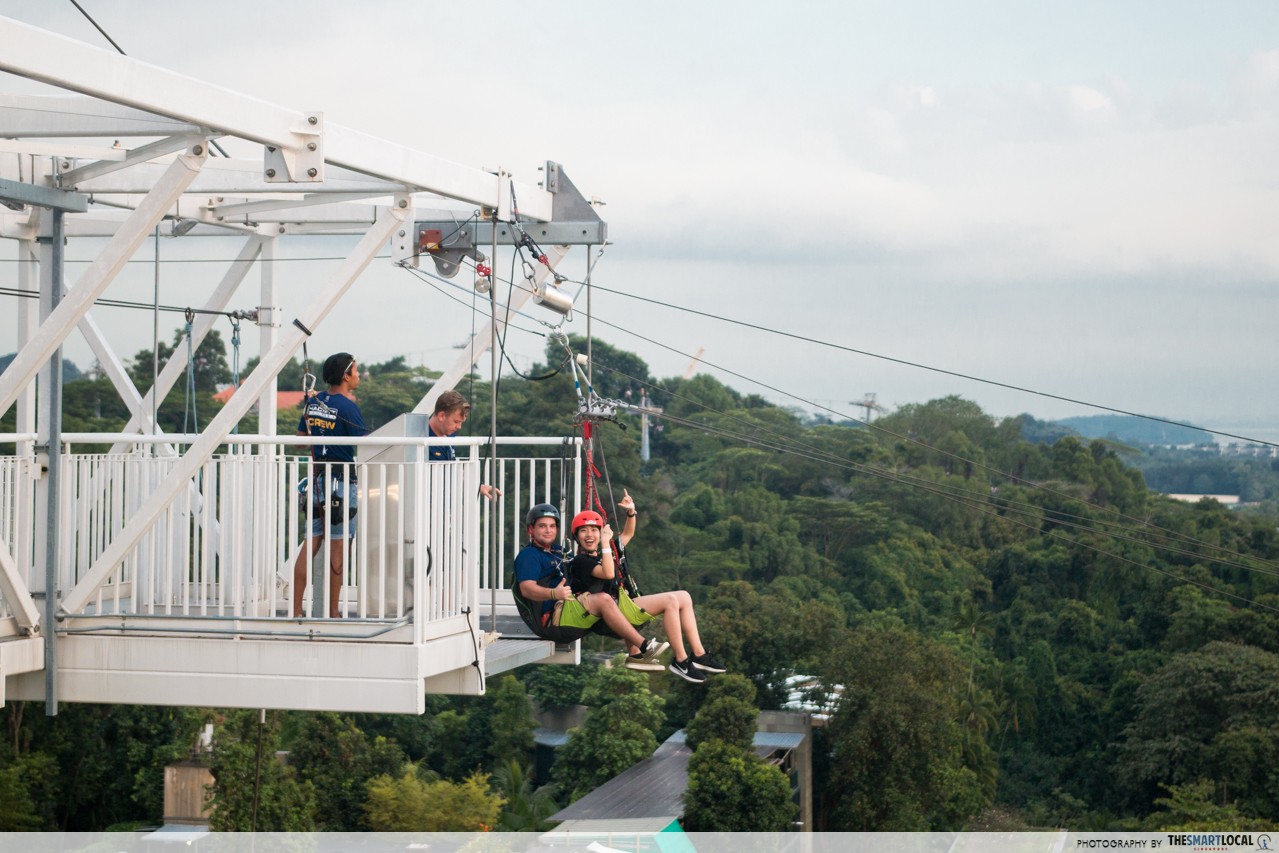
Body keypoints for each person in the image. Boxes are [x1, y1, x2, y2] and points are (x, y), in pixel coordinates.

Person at [567, 490, 726, 683]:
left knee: (684, 596)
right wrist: (606, 543)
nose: (589, 535)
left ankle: (699, 655)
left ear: (600, 532)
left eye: (594, 530)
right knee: (670, 601)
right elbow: (607, 573)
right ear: (577, 537)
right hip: (609, 617)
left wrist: (631, 512)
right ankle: (681, 660)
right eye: (583, 531)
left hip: (622, 605)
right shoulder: (580, 561)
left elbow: (628, 533)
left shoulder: (607, 551)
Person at [513, 503, 666, 669]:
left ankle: (635, 654)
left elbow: (625, 537)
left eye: (552, 526)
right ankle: (644, 646)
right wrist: (553, 593)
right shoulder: (529, 555)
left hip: (569, 610)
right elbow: (526, 589)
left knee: (614, 595)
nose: (548, 530)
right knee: (603, 599)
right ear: (531, 529)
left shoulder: (559, 551)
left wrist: (630, 512)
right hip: (553, 621)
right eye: (542, 526)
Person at [293, 352, 368, 618]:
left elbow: (300, 441)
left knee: (310, 545)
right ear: (346, 376)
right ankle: (333, 612)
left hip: (317, 481)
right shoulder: (348, 407)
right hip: (341, 482)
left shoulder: (313, 403)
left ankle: (295, 610)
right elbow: (367, 443)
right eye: (356, 371)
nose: (358, 376)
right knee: (338, 548)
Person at [427, 390, 499, 499]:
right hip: (427, 501)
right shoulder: (420, 438)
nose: (459, 427)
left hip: (446, 501)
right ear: (441, 415)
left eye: (461, 422)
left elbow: (452, 471)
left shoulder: (449, 434)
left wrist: (478, 487)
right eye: (456, 422)